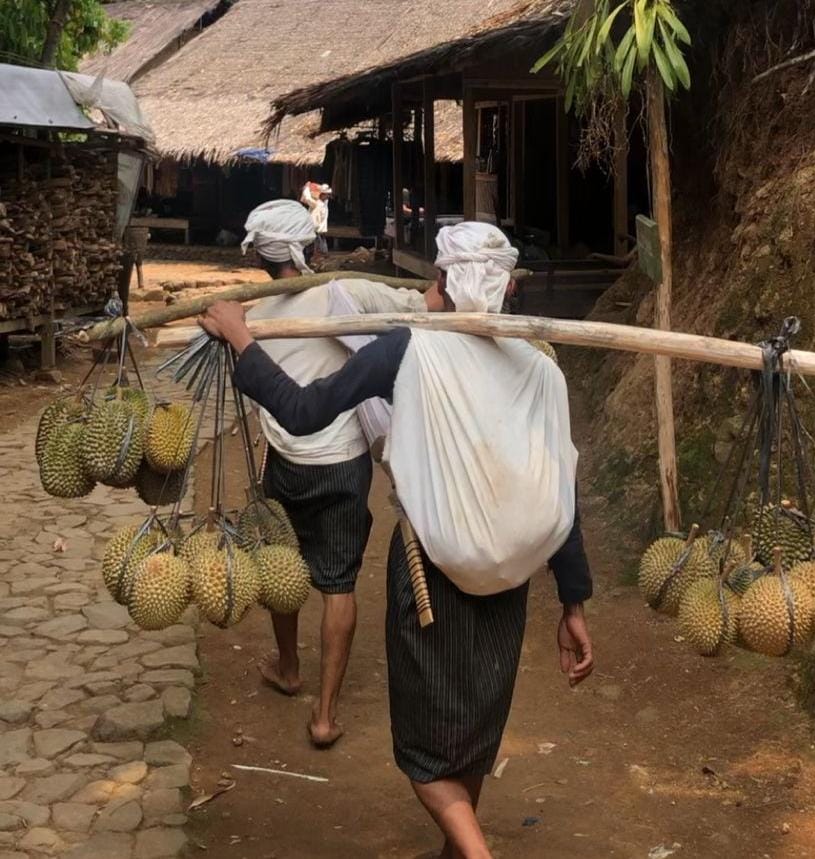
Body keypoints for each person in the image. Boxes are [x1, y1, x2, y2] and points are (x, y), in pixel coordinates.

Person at [202, 222, 594, 858]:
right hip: (511, 582)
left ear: (440, 281)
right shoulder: (541, 369)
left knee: (423, 755)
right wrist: (573, 604)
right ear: (507, 287)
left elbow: (302, 412)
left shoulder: (408, 350)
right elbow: (559, 488)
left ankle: (474, 853)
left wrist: (244, 338)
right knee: (476, 721)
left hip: (428, 574)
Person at [239, 199, 448, 748]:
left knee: (281, 564)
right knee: (339, 583)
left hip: (284, 461)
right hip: (340, 464)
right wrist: (452, 280)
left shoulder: (248, 317)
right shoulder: (346, 294)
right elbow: (426, 305)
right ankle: (325, 714)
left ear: (259, 257)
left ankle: (288, 668)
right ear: (312, 249)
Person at [301, 181, 332, 259]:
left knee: (320, 249)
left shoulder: (325, 203)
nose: (328, 196)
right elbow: (307, 197)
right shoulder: (315, 203)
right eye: (327, 194)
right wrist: (307, 188)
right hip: (314, 229)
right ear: (322, 194)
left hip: (320, 229)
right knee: (313, 249)